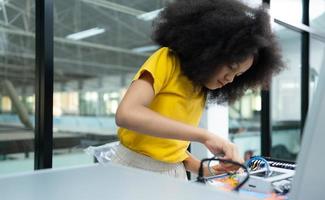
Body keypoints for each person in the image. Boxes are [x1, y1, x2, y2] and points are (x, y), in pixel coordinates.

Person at [111, 0, 284, 180]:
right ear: (211, 50)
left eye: (238, 75)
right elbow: (127, 114)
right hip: (131, 169)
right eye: (231, 67)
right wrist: (205, 136)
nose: (230, 79)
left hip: (174, 173)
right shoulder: (167, 60)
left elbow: (172, 150)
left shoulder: (199, 88)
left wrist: (207, 170)